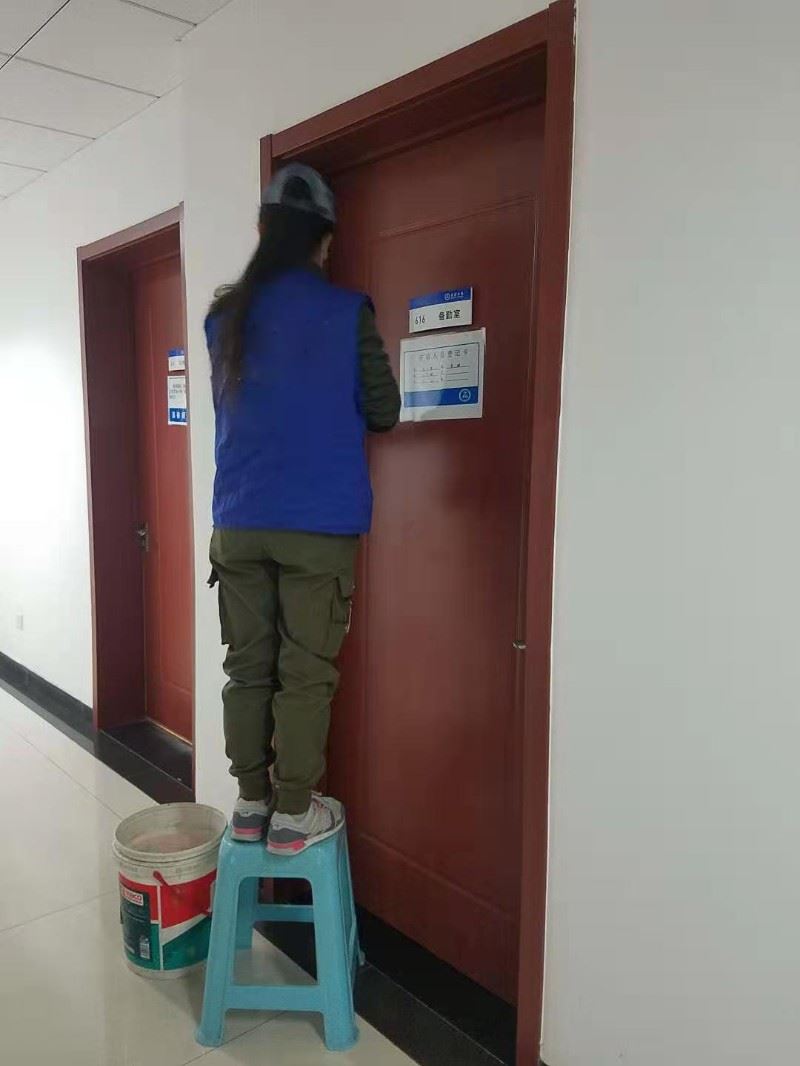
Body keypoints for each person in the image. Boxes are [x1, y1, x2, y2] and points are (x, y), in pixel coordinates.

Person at [205, 163, 400, 854]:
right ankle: (293, 814)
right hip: (317, 523)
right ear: (325, 241)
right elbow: (384, 410)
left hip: (238, 518)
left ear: (262, 230)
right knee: (305, 672)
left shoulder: (224, 317)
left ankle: (250, 802)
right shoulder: (346, 313)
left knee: (246, 667)